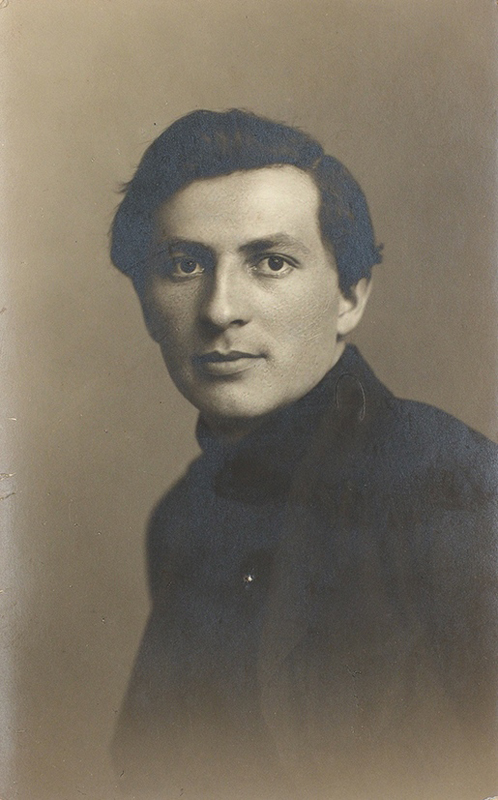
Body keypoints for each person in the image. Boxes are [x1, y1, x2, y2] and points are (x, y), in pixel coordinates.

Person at [109, 109, 498, 800]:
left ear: (349, 296)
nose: (220, 309)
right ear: (145, 304)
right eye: (185, 264)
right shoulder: (180, 518)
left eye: (271, 263)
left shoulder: (455, 484)